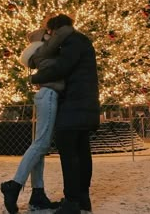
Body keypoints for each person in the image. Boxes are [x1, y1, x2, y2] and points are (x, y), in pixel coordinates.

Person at [30, 14, 100, 214]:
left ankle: (72, 202)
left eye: (50, 32)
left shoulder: (72, 41)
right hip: (83, 104)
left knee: (69, 152)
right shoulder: (80, 40)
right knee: (81, 150)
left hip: (74, 104)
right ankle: (82, 199)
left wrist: (36, 77)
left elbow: (62, 67)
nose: (50, 36)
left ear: (57, 29)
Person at [0, 25, 73, 214]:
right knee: (41, 144)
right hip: (48, 95)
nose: (52, 34)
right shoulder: (46, 50)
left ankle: (37, 195)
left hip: (46, 95)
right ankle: (14, 185)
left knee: (39, 146)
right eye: (49, 32)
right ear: (44, 36)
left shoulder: (43, 51)